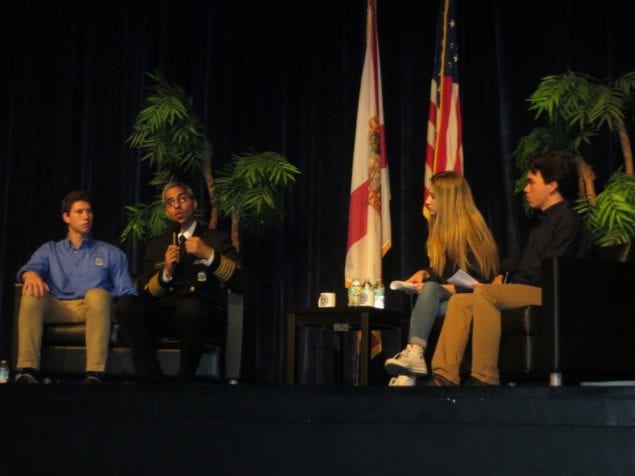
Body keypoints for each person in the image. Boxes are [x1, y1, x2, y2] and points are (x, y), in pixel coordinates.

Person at [429, 153, 589, 386]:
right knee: (460, 302)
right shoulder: (539, 224)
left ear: (552, 186)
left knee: (486, 293)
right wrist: (502, 276)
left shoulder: (568, 220)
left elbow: (551, 268)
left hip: (548, 293)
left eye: (532, 182)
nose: (526, 189)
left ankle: (484, 376)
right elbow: (521, 262)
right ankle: (445, 375)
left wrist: (505, 285)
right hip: (526, 287)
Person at [115, 182, 246, 382]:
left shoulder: (216, 239)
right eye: (170, 202)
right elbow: (146, 293)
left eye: (182, 199)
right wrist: (166, 271)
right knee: (125, 306)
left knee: (191, 307)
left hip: (201, 316)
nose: (177, 205)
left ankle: (184, 379)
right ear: (166, 210)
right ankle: (152, 378)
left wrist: (209, 255)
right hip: (166, 314)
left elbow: (240, 281)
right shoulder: (157, 244)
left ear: (194, 204)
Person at [385, 172, 499, 386]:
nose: (427, 201)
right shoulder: (441, 231)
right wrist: (427, 273)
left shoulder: (474, 232)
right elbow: (445, 271)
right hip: (449, 300)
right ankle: (411, 367)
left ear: (449, 199)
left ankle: (413, 358)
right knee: (430, 290)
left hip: (475, 302)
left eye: (434, 196)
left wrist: (434, 285)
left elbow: (480, 282)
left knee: (430, 290)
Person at [15, 191, 137, 384]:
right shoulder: (50, 250)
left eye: (89, 211)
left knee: (97, 295)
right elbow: (29, 269)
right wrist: (30, 275)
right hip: (59, 307)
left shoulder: (111, 253)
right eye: (79, 212)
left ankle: (95, 373)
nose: (86, 216)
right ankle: (27, 369)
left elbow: (127, 293)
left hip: (94, 309)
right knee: (31, 294)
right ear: (66, 217)